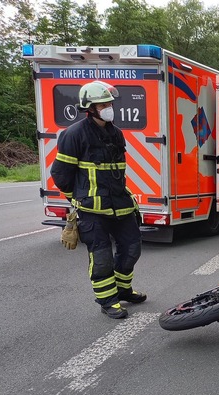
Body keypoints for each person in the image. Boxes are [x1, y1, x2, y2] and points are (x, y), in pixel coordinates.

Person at [50, 80, 146, 319]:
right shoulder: (74, 135)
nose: (109, 107)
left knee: (132, 248)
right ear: (90, 107)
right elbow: (60, 174)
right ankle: (107, 300)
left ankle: (123, 290)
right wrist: (79, 198)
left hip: (121, 205)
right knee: (101, 257)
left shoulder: (116, 133)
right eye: (104, 103)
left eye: (110, 103)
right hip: (93, 210)